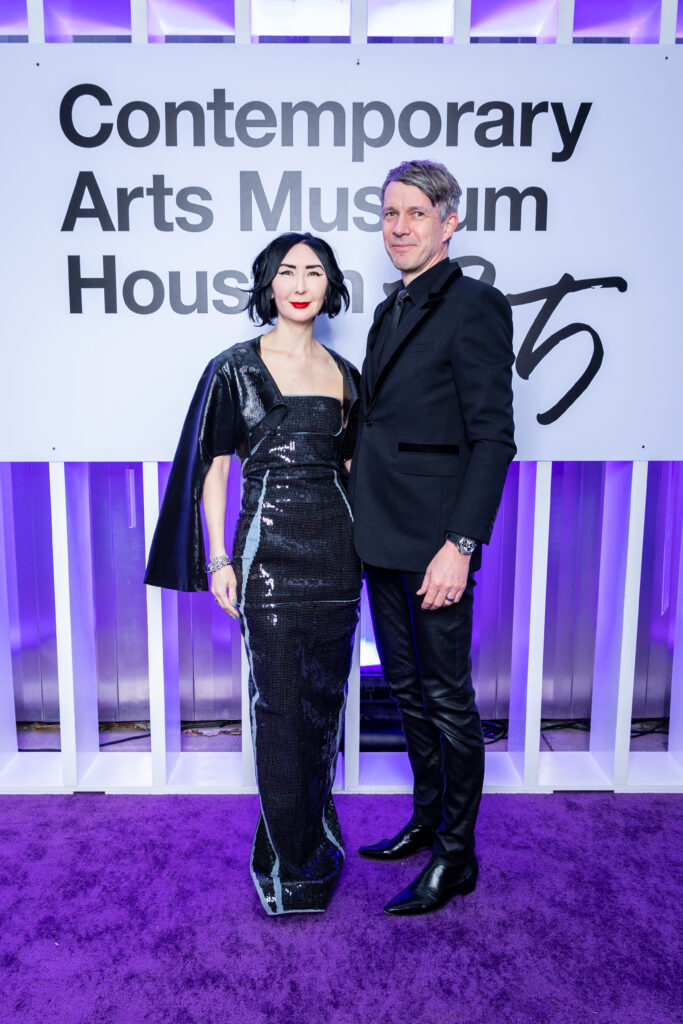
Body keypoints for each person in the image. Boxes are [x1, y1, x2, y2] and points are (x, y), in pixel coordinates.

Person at [144, 232, 362, 915]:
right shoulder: (232, 367)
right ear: (268, 284)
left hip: (336, 556)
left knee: (324, 702)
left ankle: (309, 834)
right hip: (267, 559)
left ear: (330, 287)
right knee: (278, 708)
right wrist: (218, 558)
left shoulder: (346, 372)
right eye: (287, 271)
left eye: (315, 271)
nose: (301, 282)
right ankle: (290, 867)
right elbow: (214, 468)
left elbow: (356, 472)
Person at [348, 160, 516, 916]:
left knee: (447, 698)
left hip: (436, 543)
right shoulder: (391, 309)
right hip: (380, 531)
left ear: (449, 223)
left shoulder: (474, 305)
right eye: (389, 214)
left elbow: (492, 438)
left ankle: (457, 856)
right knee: (407, 691)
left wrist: (461, 544)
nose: (399, 227)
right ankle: (423, 818)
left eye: (415, 213)